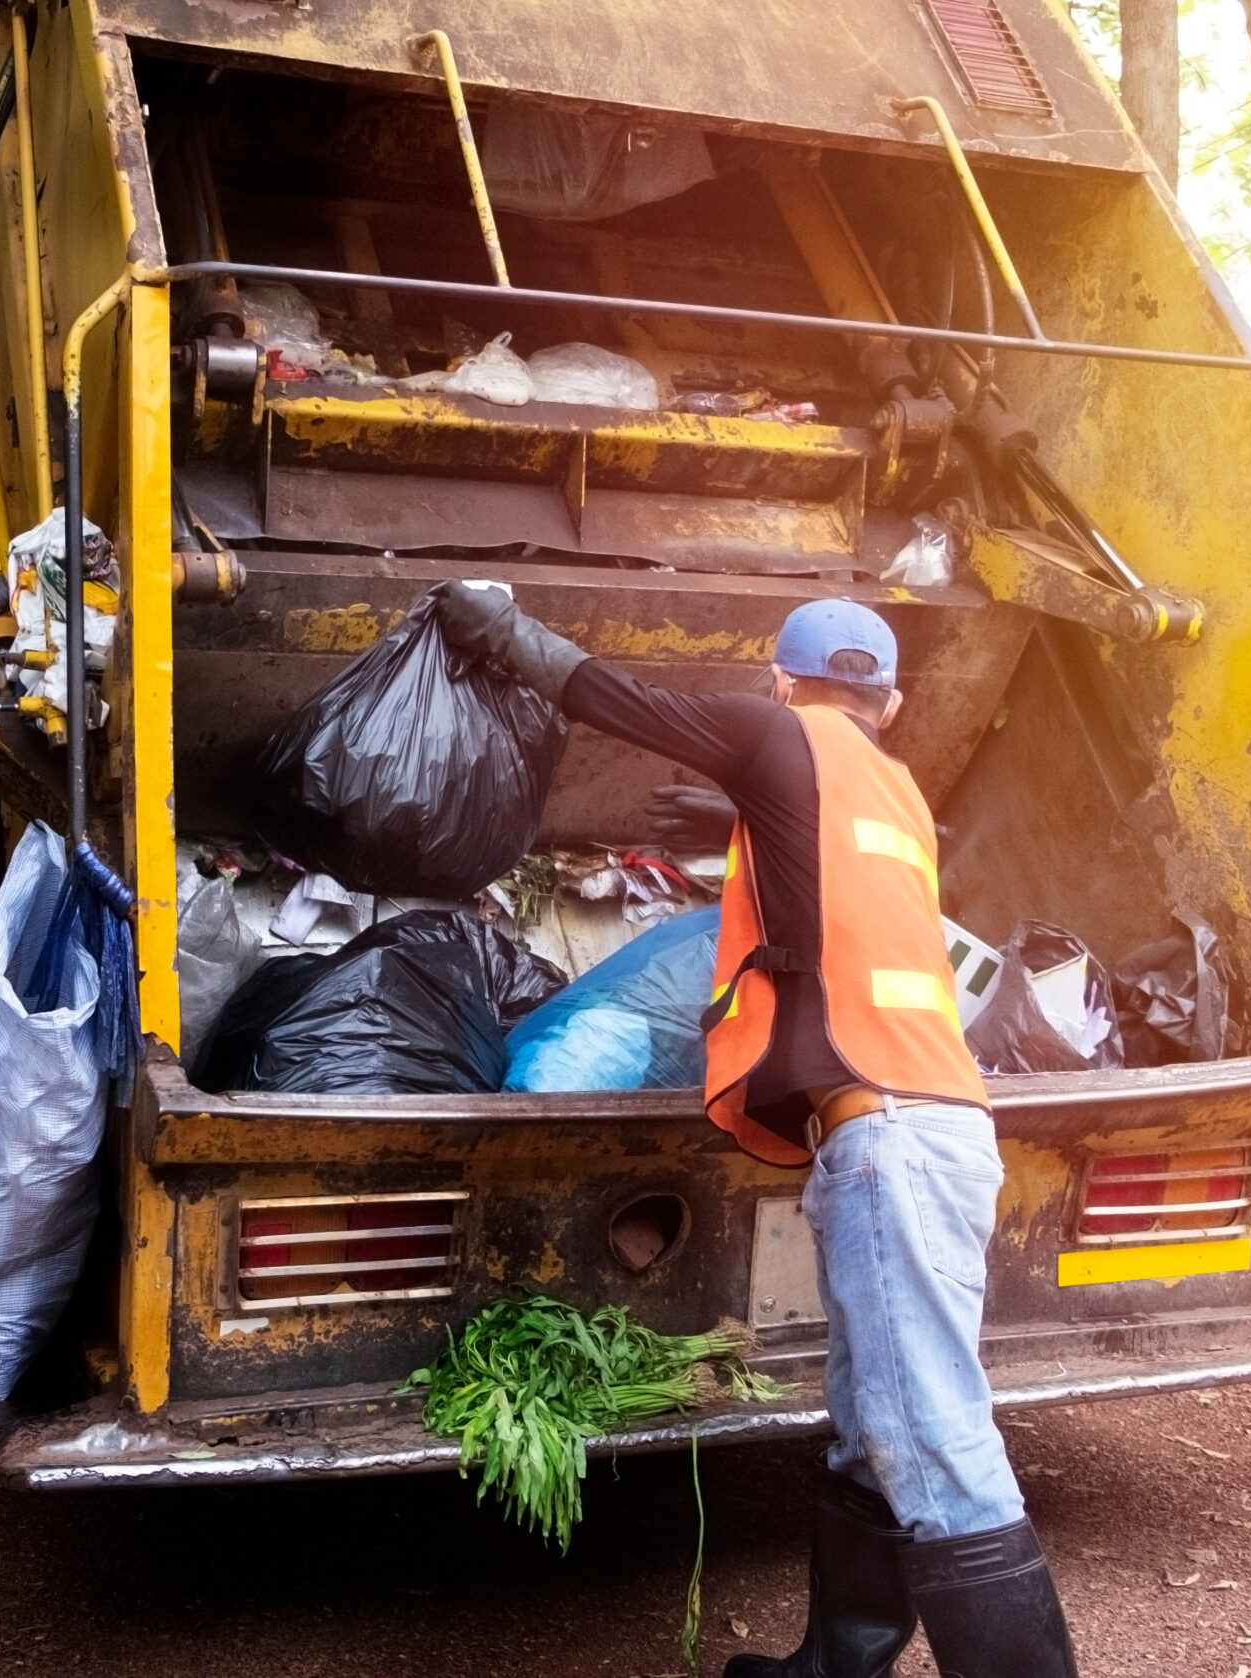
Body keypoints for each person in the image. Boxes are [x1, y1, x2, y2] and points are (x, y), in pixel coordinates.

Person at [435, 585, 1078, 1678]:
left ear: (780, 679)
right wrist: (744, 819)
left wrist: (493, 629)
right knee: (874, 1421)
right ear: (890, 700)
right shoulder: (902, 795)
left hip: (885, 1137)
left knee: (931, 1437)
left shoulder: (775, 728)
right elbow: (834, 891)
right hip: (954, 1125)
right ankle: (833, 1666)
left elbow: (609, 694)